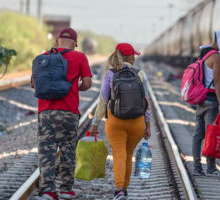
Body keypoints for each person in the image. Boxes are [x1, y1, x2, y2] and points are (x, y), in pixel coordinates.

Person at [32, 27, 92, 200]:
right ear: (75, 43)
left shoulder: (44, 56)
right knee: (67, 151)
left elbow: (34, 84)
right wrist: (75, 88)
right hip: (68, 113)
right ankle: (66, 189)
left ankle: (48, 191)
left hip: (45, 112)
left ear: (57, 42)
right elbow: (87, 83)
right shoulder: (80, 57)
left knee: (46, 152)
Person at [89, 43, 151, 200]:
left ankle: (119, 190)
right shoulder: (141, 74)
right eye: (134, 55)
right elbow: (147, 103)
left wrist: (95, 123)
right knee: (129, 154)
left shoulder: (110, 74)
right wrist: (148, 125)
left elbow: (103, 100)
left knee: (119, 154)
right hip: (137, 122)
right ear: (130, 57)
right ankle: (124, 188)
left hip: (116, 122)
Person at [192, 30, 220, 176]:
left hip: (200, 98)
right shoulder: (216, 57)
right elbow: (217, 82)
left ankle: (197, 167)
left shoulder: (204, 54)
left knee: (198, 134)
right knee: (212, 134)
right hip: (211, 99)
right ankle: (210, 168)